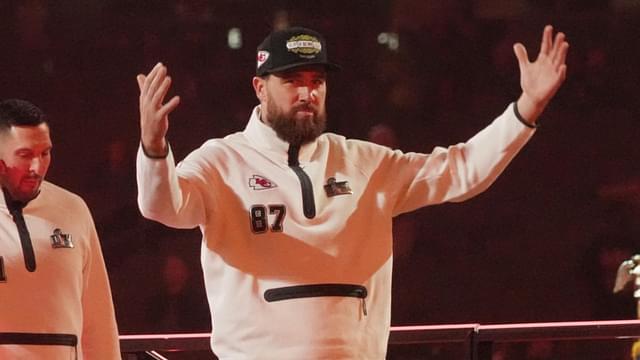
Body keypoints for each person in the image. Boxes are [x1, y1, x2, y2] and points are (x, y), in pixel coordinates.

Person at [135, 25, 568, 359]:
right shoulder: (221, 162)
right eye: (292, 81)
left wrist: (525, 110)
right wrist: (154, 150)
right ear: (259, 86)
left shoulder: (364, 162)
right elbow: (163, 206)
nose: (308, 92)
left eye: (316, 80)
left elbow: (461, 171)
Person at [0, 99, 120, 359]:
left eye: (45, 153)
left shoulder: (73, 209)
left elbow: (98, 319)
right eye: (25, 154)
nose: (37, 166)